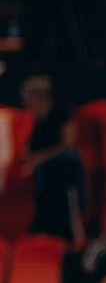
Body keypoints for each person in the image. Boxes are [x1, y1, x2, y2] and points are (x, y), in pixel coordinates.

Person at [20, 75, 86, 242]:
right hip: (44, 177)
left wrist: (41, 157)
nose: (25, 101)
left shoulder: (61, 112)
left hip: (64, 174)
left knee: (66, 219)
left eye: (28, 97)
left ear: (39, 96)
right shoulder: (35, 118)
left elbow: (69, 143)